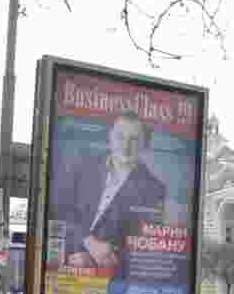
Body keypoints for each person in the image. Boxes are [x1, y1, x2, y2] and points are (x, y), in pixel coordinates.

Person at [57, 110, 167, 273]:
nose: (126, 146)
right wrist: (88, 242)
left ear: (144, 143)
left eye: (134, 139)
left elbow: (146, 243)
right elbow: (60, 208)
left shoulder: (154, 189)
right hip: (58, 261)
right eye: (120, 137)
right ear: (110, 136)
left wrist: (94, 261)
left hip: (108, 276)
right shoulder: (82, 165)